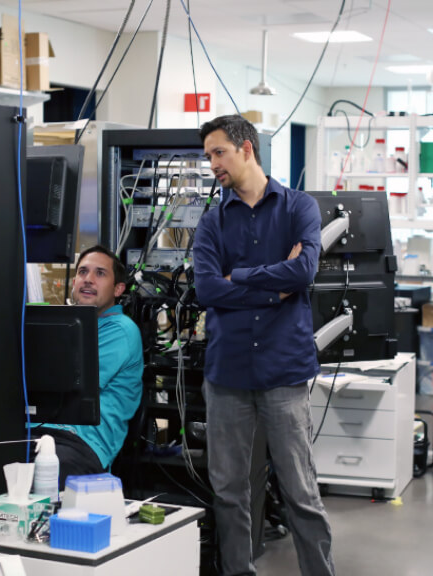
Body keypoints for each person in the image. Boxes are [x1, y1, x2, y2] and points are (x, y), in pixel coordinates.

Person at [194, 114, 334, 576]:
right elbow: (208, 290)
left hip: (283, 371)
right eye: (209, 154)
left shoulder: (299, 208)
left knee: (300, 491)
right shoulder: (212, 223)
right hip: (228, 374)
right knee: (230, 491)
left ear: (247, 148)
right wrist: (275, 287)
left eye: (219, 152)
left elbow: (304, 272)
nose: (213, 163)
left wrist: (244, 277)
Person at [35, 245, 143, 490]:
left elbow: (71, 380)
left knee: (45, 476)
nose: (88, 280)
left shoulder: (121, 329)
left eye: (100, 274)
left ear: (118, 289)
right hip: (36, 432)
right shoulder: (69, 325)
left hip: (77, 443)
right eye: (83, 272)